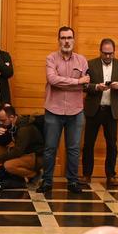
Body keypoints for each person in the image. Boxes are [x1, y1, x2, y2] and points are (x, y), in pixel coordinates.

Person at [38, 26, 90, 195]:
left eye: (69, 38)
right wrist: (76, 82)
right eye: (63, 38)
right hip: (53, 109)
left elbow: (86, 82)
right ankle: (47, 181)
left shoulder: (82, 60)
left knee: (74, 149)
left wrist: (72, 82)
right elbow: (52, 80)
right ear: (58, 40)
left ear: (74, 40)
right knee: (50, 148)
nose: (66, 41)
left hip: (76, 111)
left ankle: (73, 182)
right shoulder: (51, 58)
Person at [83, 37, 118, 188]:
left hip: (111, 111)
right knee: (88, 144)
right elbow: (84, 85)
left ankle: (111, 175)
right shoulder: (90, 64)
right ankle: (86, 174)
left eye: (111, 53)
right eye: (105, 53)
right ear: (100, 52)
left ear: (114, 52)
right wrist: (96, 87)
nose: (108, 56)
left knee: (112, 145)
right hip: (94, 110)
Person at [0, 104, 42, 181]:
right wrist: (0, 135)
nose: (0, 123)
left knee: (8, 165)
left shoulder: (24, 129)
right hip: (25, 152)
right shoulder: (11, 124)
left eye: (3, 120)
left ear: (11, 117)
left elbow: (17, 152)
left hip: (36, 156)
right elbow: (3, 143)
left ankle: (34, 175)